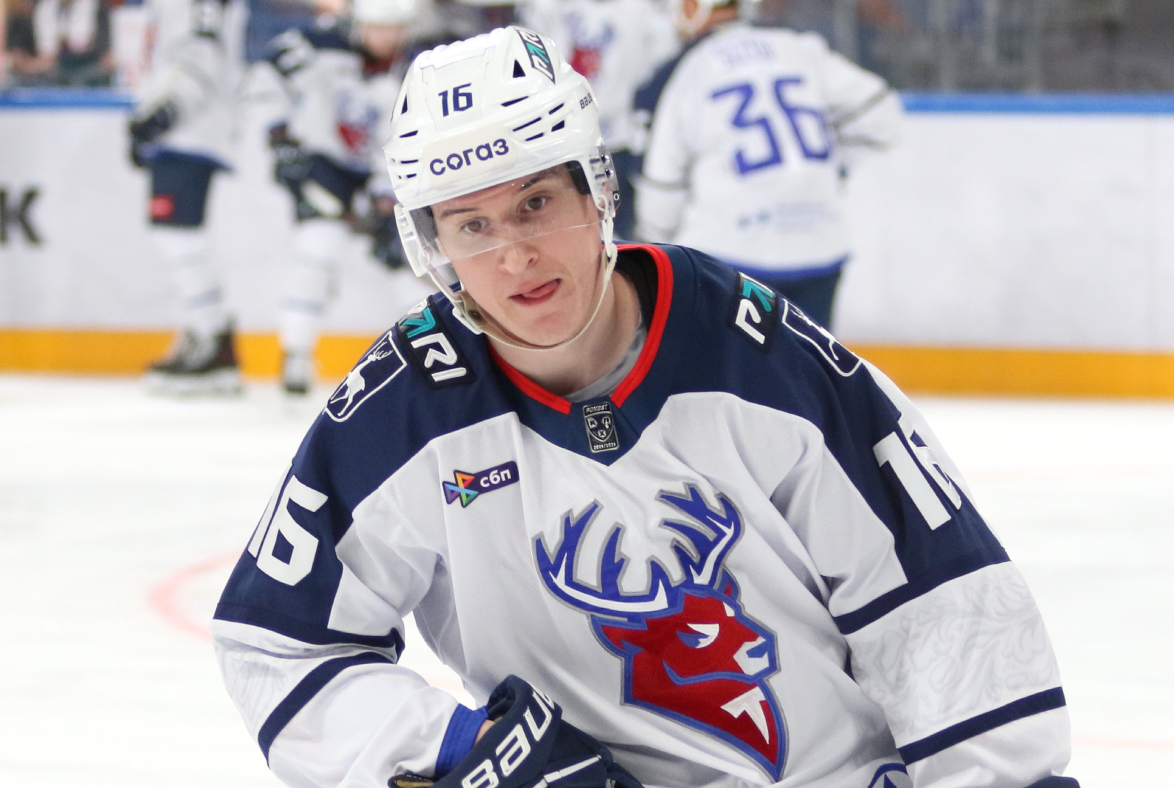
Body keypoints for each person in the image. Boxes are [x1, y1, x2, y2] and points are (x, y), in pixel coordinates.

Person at [213, 26, 1079, 788]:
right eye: (472, 226)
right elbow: (277, 645)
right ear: (430, 244)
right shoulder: (403, 410)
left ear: (597, 190)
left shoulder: (761, 361)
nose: (514, 257)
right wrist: (464, 750)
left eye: (536, 203)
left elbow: (939, 608)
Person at [632, 0, 902, 328]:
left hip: (731, 258)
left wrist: (652, 242)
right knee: (806, 361)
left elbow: (662, 187)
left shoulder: (688, 69)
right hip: (819, 250)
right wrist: (833, 168)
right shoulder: (798, 48)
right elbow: (881, 114)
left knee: (727, 362)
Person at [253, 0, 416, 395]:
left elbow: (403, 139)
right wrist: (278, 133)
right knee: (317, 251)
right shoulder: (318, 45)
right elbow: (266, 75)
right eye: (378, 27)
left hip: (380, 172)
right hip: (325, 164)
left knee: (406, 260)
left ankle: (424, 354)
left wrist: (385, 198)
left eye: (394, 28)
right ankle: (295, 355)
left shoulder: (413, 70)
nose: (386, 37)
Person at [129, 0, 249, 395]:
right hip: (184, 129)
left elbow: (203, 52)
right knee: (177, 237)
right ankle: (204, 333)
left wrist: (164, 111)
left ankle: (212, 338)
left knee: (177, 236)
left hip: (190, 129)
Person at [523, 0, 678, 240]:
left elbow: (662, 71)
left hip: (619, 143)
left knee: (616, 233)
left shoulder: (645, 11)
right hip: (560, 142)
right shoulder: (548, 6)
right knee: (562, 228)